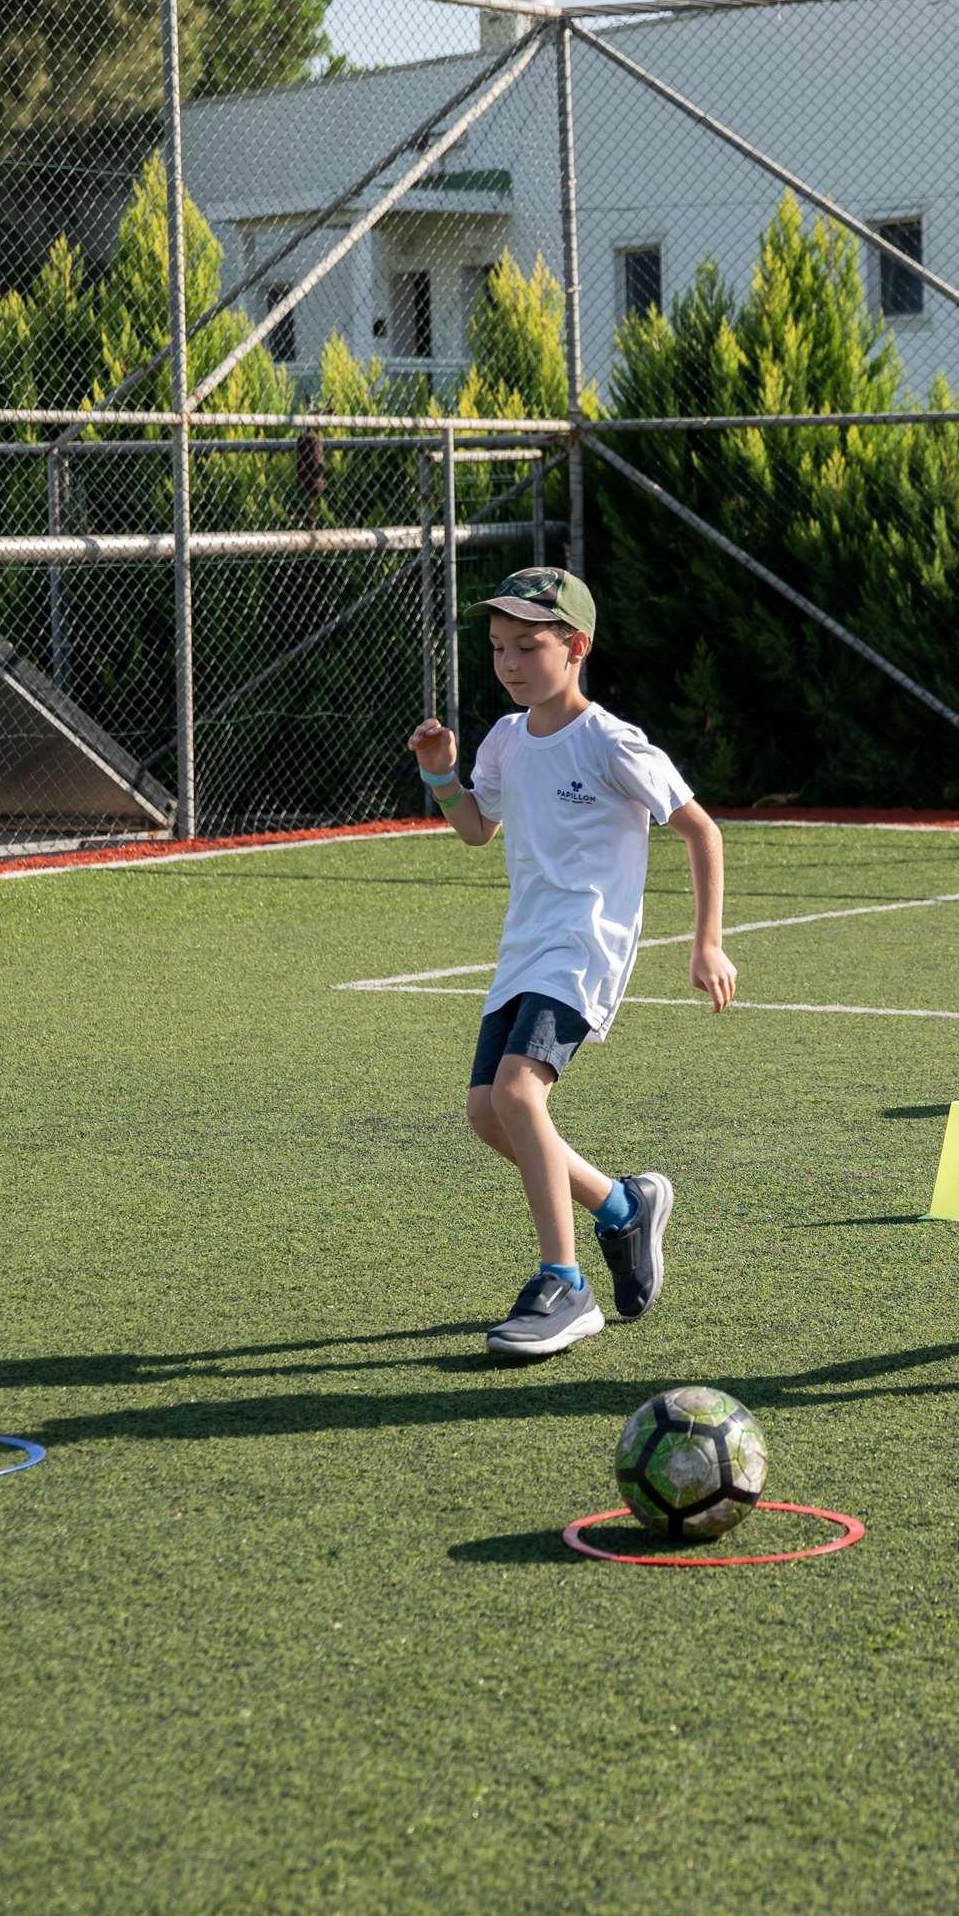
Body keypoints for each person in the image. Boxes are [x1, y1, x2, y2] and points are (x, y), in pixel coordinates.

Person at [408, 567, 740, 1363]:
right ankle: (624, 1206)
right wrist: (440, 773)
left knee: (520, 1092)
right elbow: (475, 829)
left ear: (577, 647)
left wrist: (707, 940)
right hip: (524, 947)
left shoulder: (610, 742)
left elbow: (701, 830)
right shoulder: (505, 738)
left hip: (585, 947)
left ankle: (567, 1284)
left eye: (529, 645)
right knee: (488, 1113)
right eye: (497, 648)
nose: (510, 663)